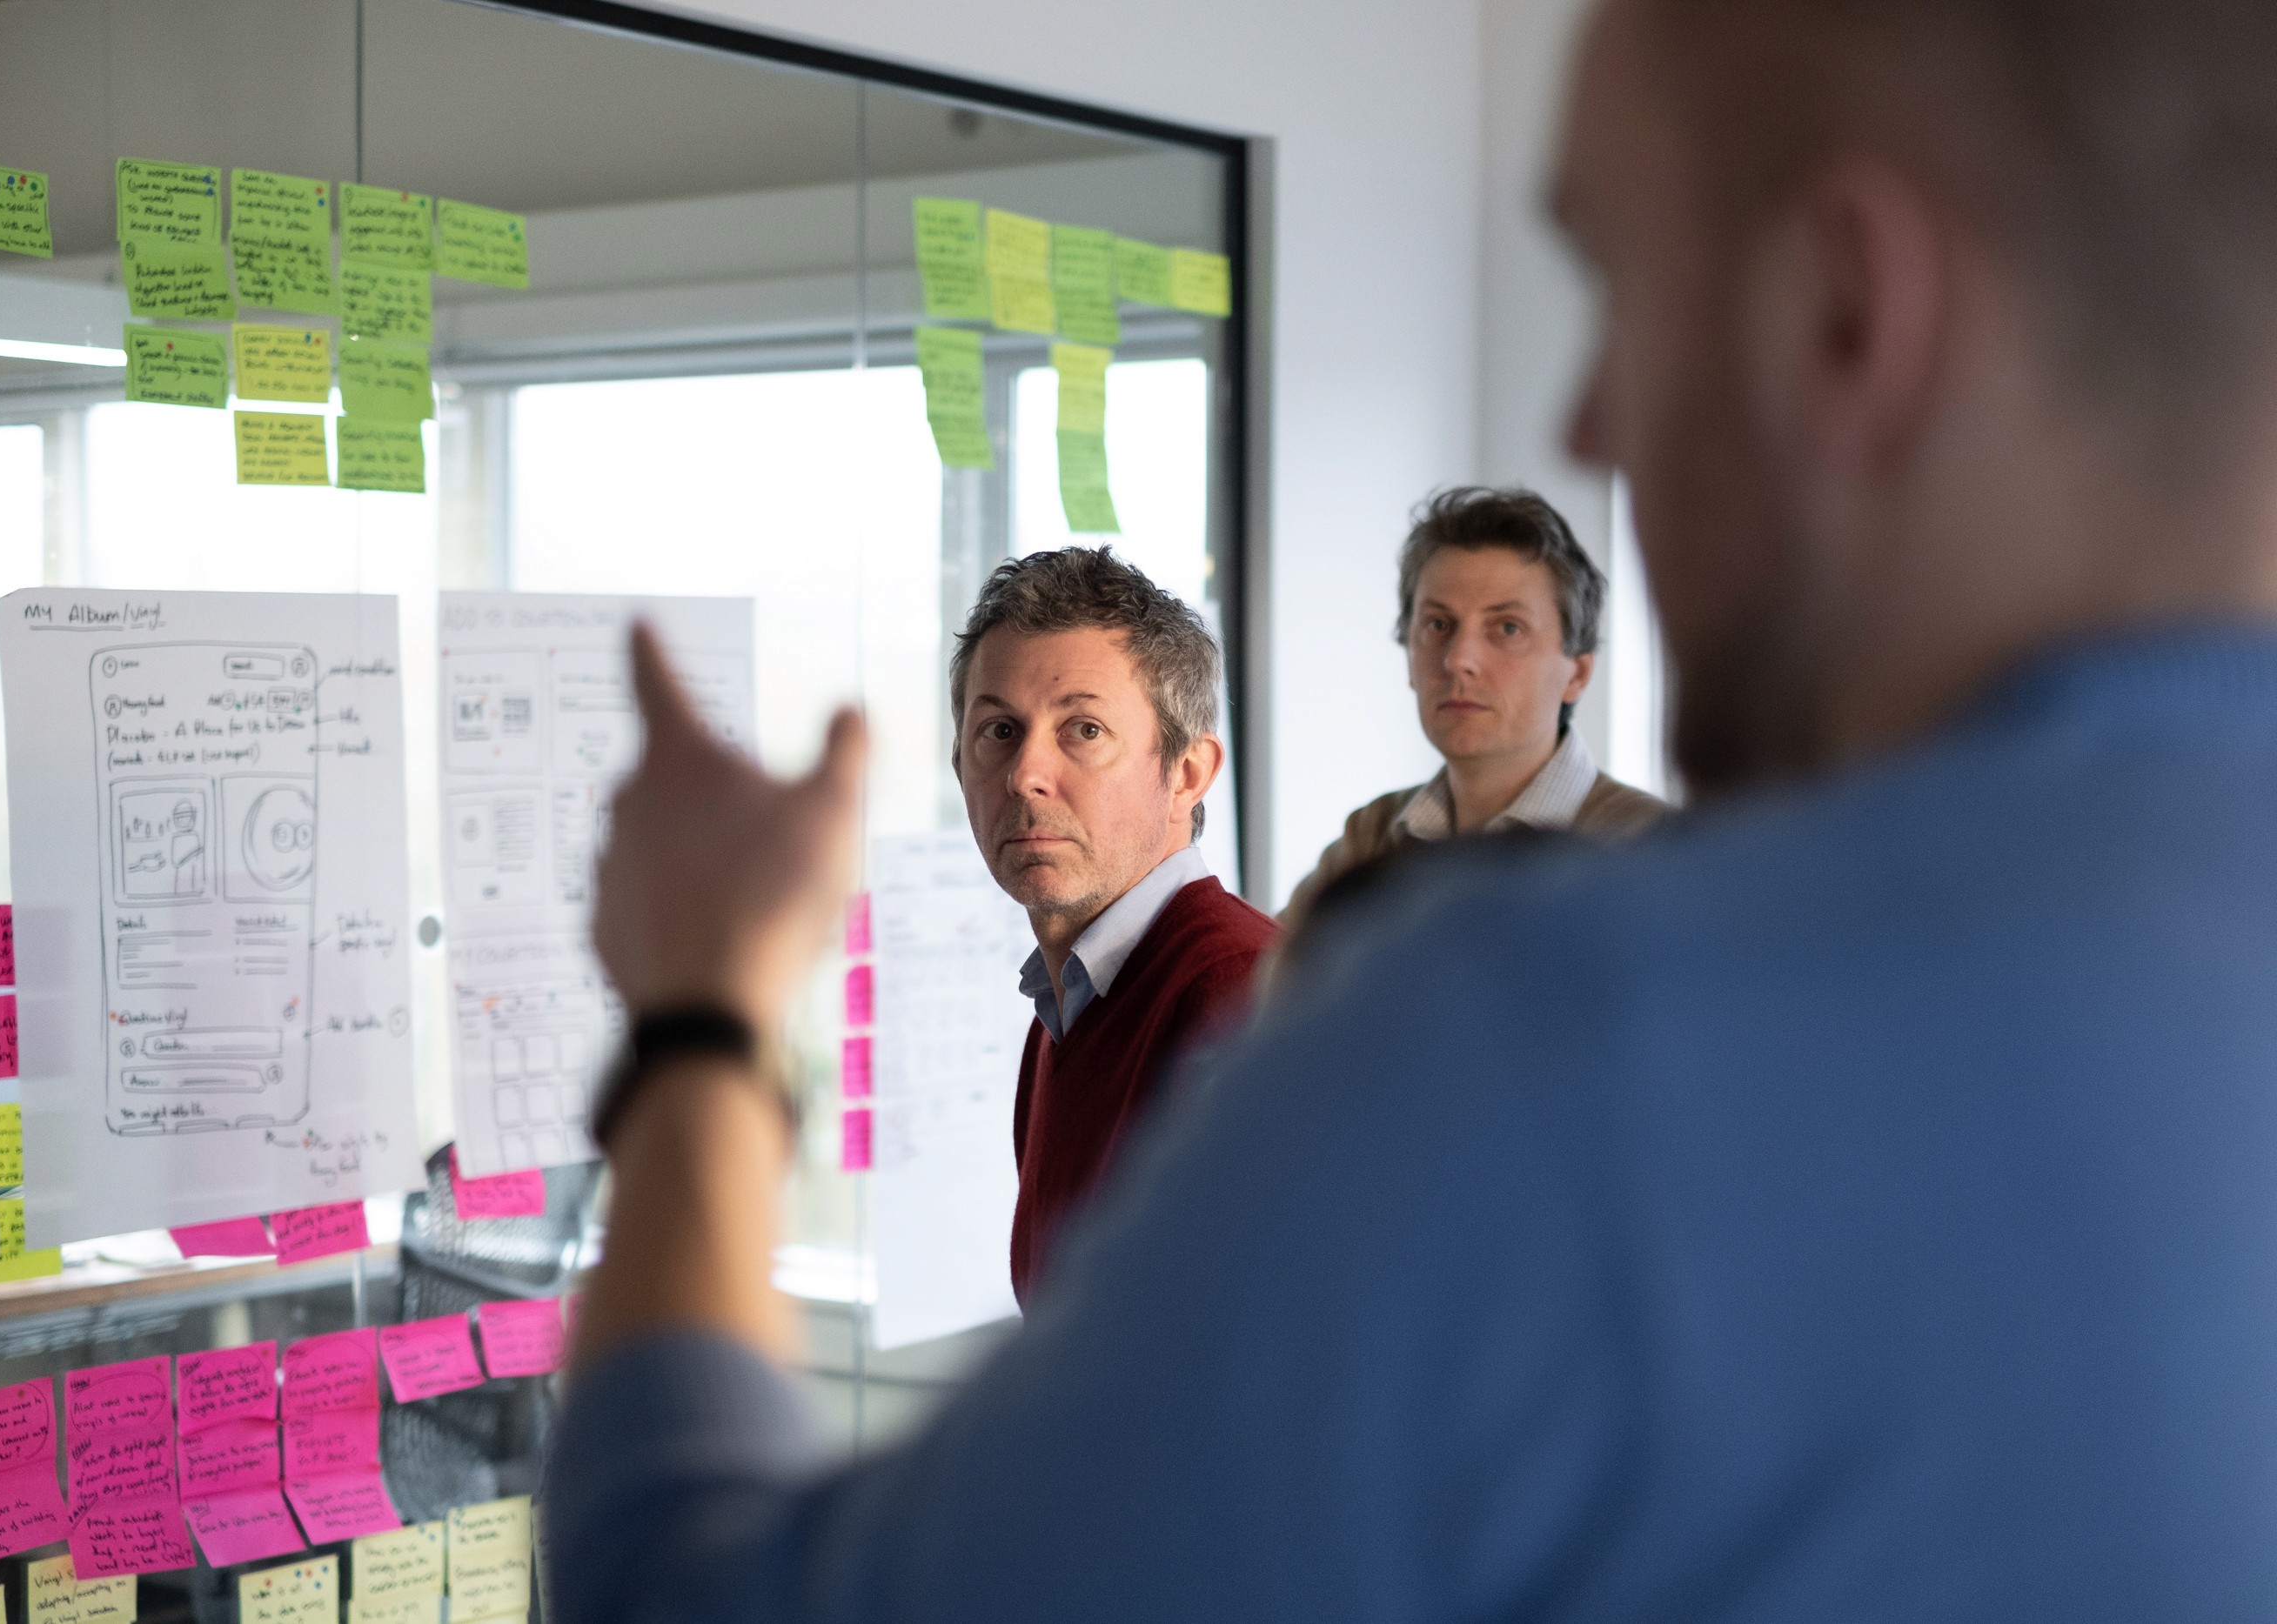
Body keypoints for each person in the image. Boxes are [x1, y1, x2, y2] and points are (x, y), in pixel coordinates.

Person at [554, 0, 2277, 1615]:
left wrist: (702, 1012)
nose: (1588, 413)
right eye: (997, 729)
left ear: (1841, 317)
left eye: (1616, 284)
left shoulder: (1551, 1049)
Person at [948, 547, 1276, 1298]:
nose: (1026, 772)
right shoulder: (1061, 1015)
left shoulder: (1240, 999)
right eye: (998, 730)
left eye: (1083, 730)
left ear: (1187, 774)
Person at [1280, 486, 1665, 939]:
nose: (1458, 659)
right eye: (1438, 625)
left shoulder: (1648, 851)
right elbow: (1265, 992)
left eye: (1507, 627)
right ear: (1408, 656)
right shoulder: (1373, 834)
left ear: (1577, 674)